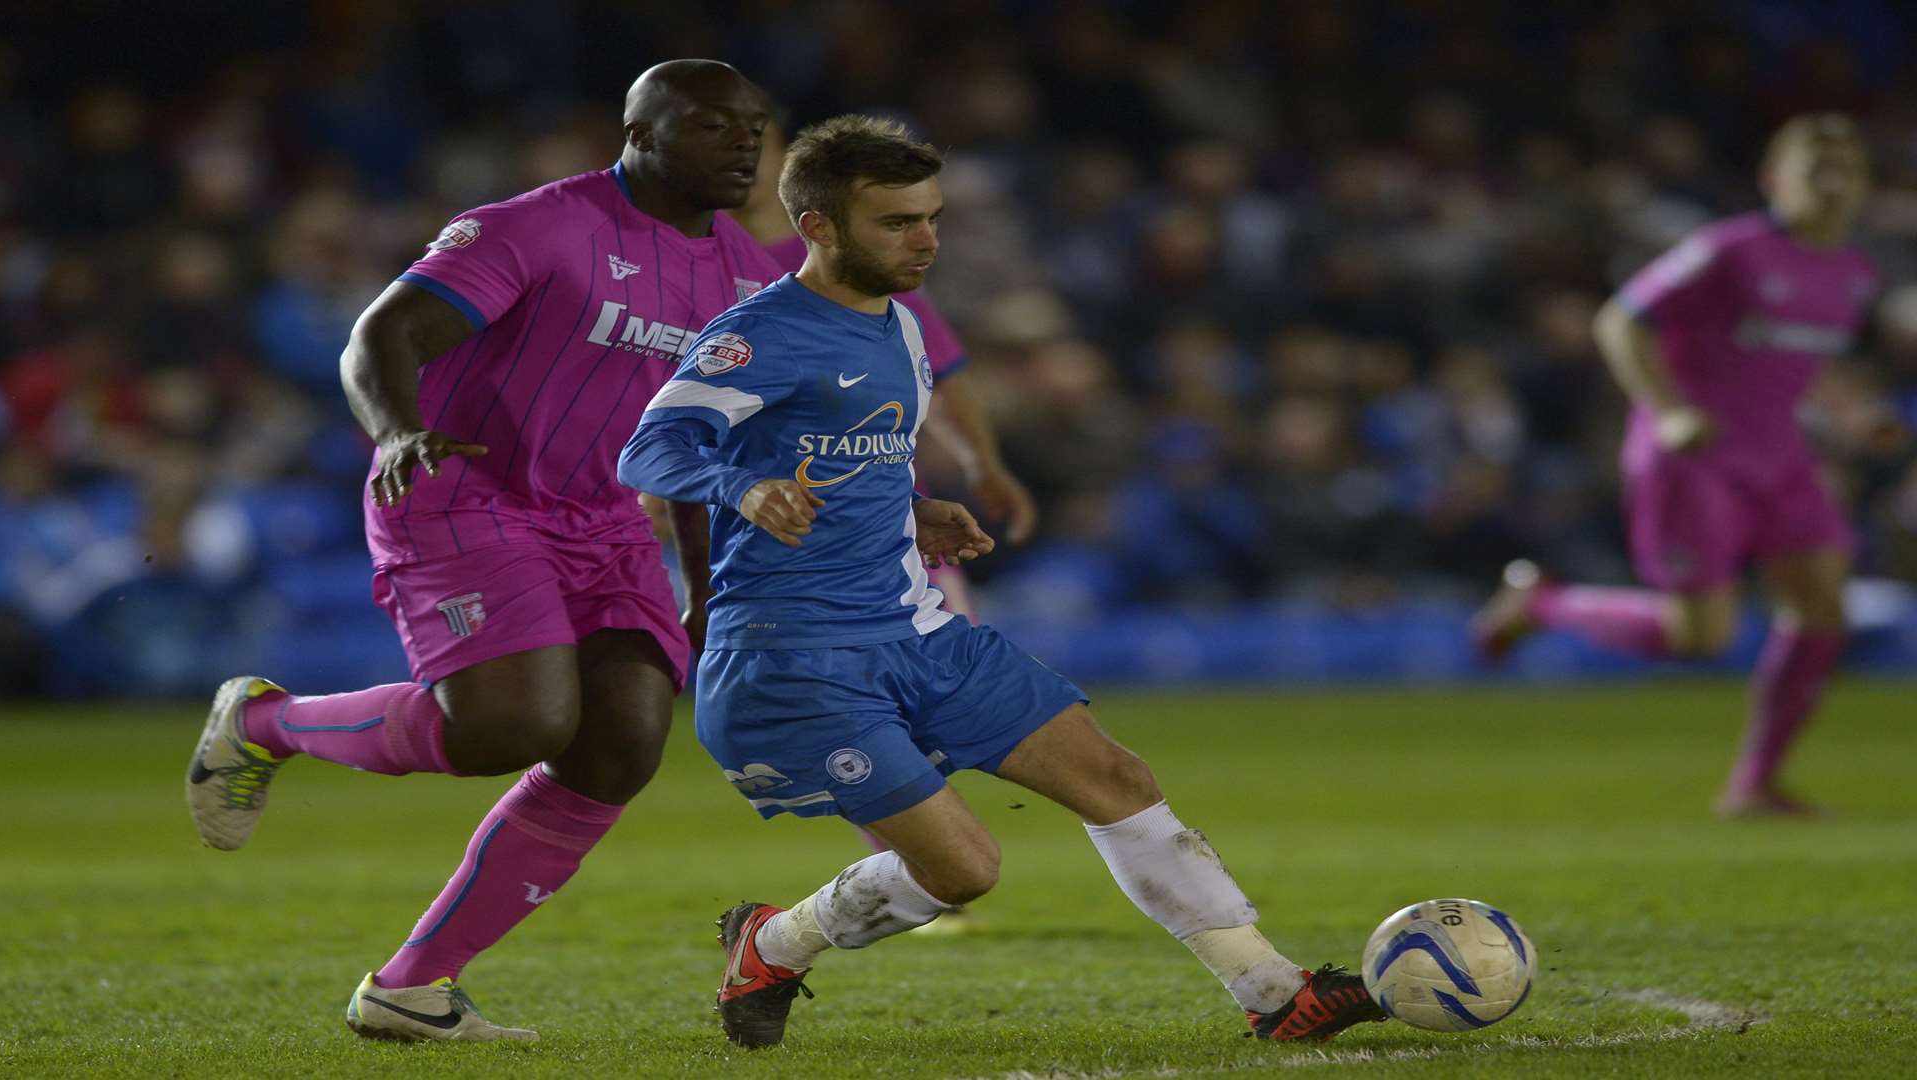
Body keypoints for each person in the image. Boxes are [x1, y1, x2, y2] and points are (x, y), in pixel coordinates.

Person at [618, 114, 1385, 1048]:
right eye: (897, 222)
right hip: (792, 656)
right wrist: (743, 483)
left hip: (916, 628)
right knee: (964, 873)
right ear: (818, 226)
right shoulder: (759, 336)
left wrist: (918, 510)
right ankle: (775, 942)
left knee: (1116, 775)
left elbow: (856, 460)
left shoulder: (899, 328)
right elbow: (651, 446)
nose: (926, 240)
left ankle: (1275, 992)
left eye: (932, 217)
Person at [185, 60, 785, 1041]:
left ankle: (411, 988)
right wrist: (395, 433)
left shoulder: (750, 277)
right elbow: (382, 335)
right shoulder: (541, 225)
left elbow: (709, 439)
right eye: (715, 125)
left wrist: (711, 580)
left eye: (753, 126)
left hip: (601, 516)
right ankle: (266, 725)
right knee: (510, 726)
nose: (744, 143)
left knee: (623, 739)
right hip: (464, 489)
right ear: (638, 133)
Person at [1473, 114, 1879, 818]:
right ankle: (1542, 603)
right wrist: (1666, 411)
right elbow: (1619, 321)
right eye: (1816, 169)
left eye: (1846, 170)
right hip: (1695, 457)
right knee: (1701, 638)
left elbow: (1794, 362)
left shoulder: (1854, 272)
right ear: (1773, 181)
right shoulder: (1728, 250)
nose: (1832, 184)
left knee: (1822, 605)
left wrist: (1854, 416)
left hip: (1782, 457)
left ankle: (1754, 785)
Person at [730, 111, 1038, 915]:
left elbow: (939, 357)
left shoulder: (858, 257)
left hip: (879, 522)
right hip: (753, 534)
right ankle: (927, 865)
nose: (736, 156)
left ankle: (931, 863)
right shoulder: (697, 268)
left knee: (923, 676)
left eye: (748, 139)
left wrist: (980, 463)